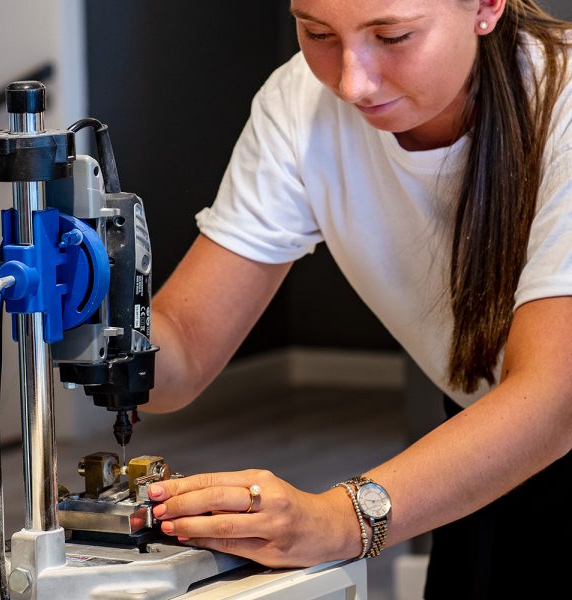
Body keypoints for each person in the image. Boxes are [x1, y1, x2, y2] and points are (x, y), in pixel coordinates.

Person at [144, 1, 572, 597]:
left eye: (393, 36)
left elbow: (553, 403)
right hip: (485, 450)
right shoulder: (298, 103)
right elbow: (180, 355)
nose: (352, 83)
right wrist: (86, 312)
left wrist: (340, 519)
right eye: (317, 33)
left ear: (485, 6)